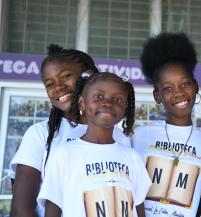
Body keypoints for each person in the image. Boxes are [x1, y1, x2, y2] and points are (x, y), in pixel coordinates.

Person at [10, 45, 130, 217]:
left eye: (66, 76)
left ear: (89, 75)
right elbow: (21, 210)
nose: (58, 87)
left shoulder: (120, 137)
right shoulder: (39, 134)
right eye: (49, 84)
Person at [38, 72, 151, 217]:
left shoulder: (132, 157)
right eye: (98, 96)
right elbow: (53, 209)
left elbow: (138, 207)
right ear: (81, 103)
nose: (108, 103)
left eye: (117, 99)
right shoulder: (64, 154)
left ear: (125, 109)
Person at [132, 32, 201, 217]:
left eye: (185, 84)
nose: (178, 93)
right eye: (168, 88)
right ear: (157, 96)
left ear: (196, 87)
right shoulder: (138, 136)